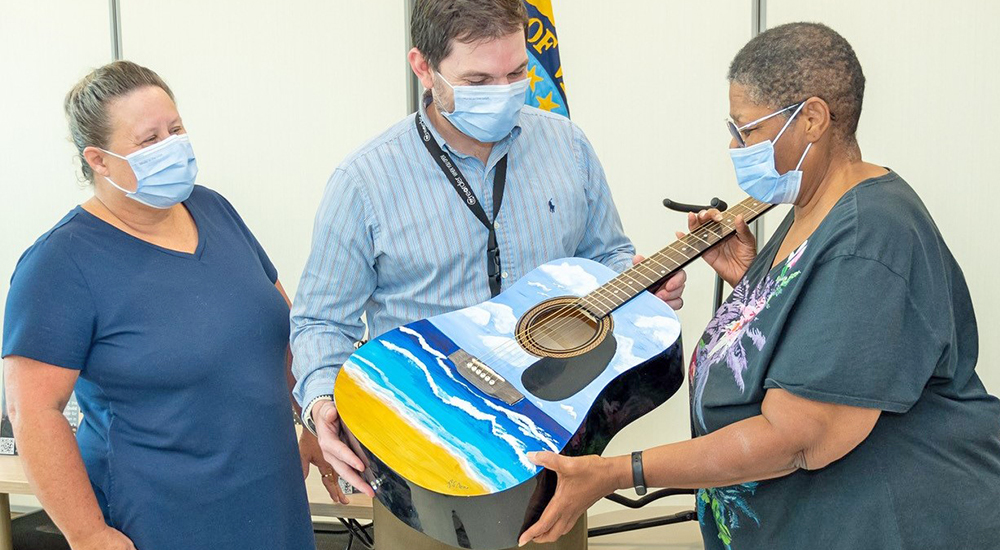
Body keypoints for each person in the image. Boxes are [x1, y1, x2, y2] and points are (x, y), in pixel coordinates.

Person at [517, 22, 1000, 549]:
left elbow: (797, 439)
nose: (734, 143)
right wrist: (751, 283)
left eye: (745, 129)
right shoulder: (808, 212)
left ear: (812, 118)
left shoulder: (872, 236)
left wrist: (615, 472)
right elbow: (817, 333)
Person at [289, 1, 686, 548]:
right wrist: (320, 403)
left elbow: (609, 257)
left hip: (552, 465)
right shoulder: (363, 182)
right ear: (422, 67)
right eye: (478, 80)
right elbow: (318, 321)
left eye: (516, 73)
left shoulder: (568, 147)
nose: (503, 92)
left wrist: (642, 287)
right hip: (425, 471)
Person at [1, 61, 339, 550]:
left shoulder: (214, 209)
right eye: (149, 140)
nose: (172, 147)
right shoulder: (60, 263)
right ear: (98, 159)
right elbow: (33, 413)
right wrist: (87, 533)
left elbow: (280, 334)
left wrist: (312, 419)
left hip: (270, 498)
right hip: (159, 517)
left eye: (175, 129)